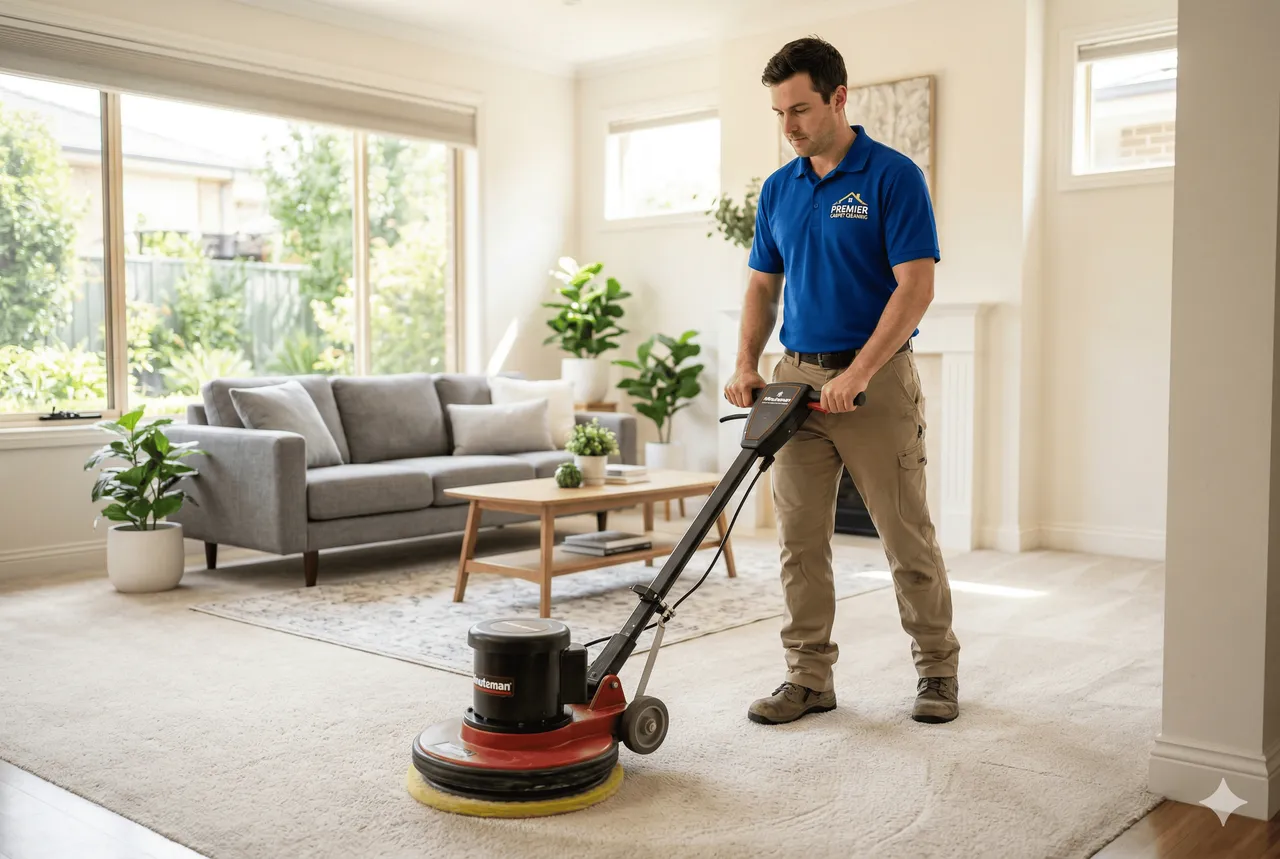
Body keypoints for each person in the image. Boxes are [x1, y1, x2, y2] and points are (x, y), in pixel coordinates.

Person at [724, 36, 961, 725]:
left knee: (904, 533)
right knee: (798, 540)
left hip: (876, 377)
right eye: (779, 113)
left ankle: (937, 671)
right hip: (795, 379)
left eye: (799, 109)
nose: (789, 125)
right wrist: (746, 363)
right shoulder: (778, 189)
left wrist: (859, 371)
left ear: (838, 97)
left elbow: (914, 288)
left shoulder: (892, 176)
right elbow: (762, 289)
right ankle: (808, 677)